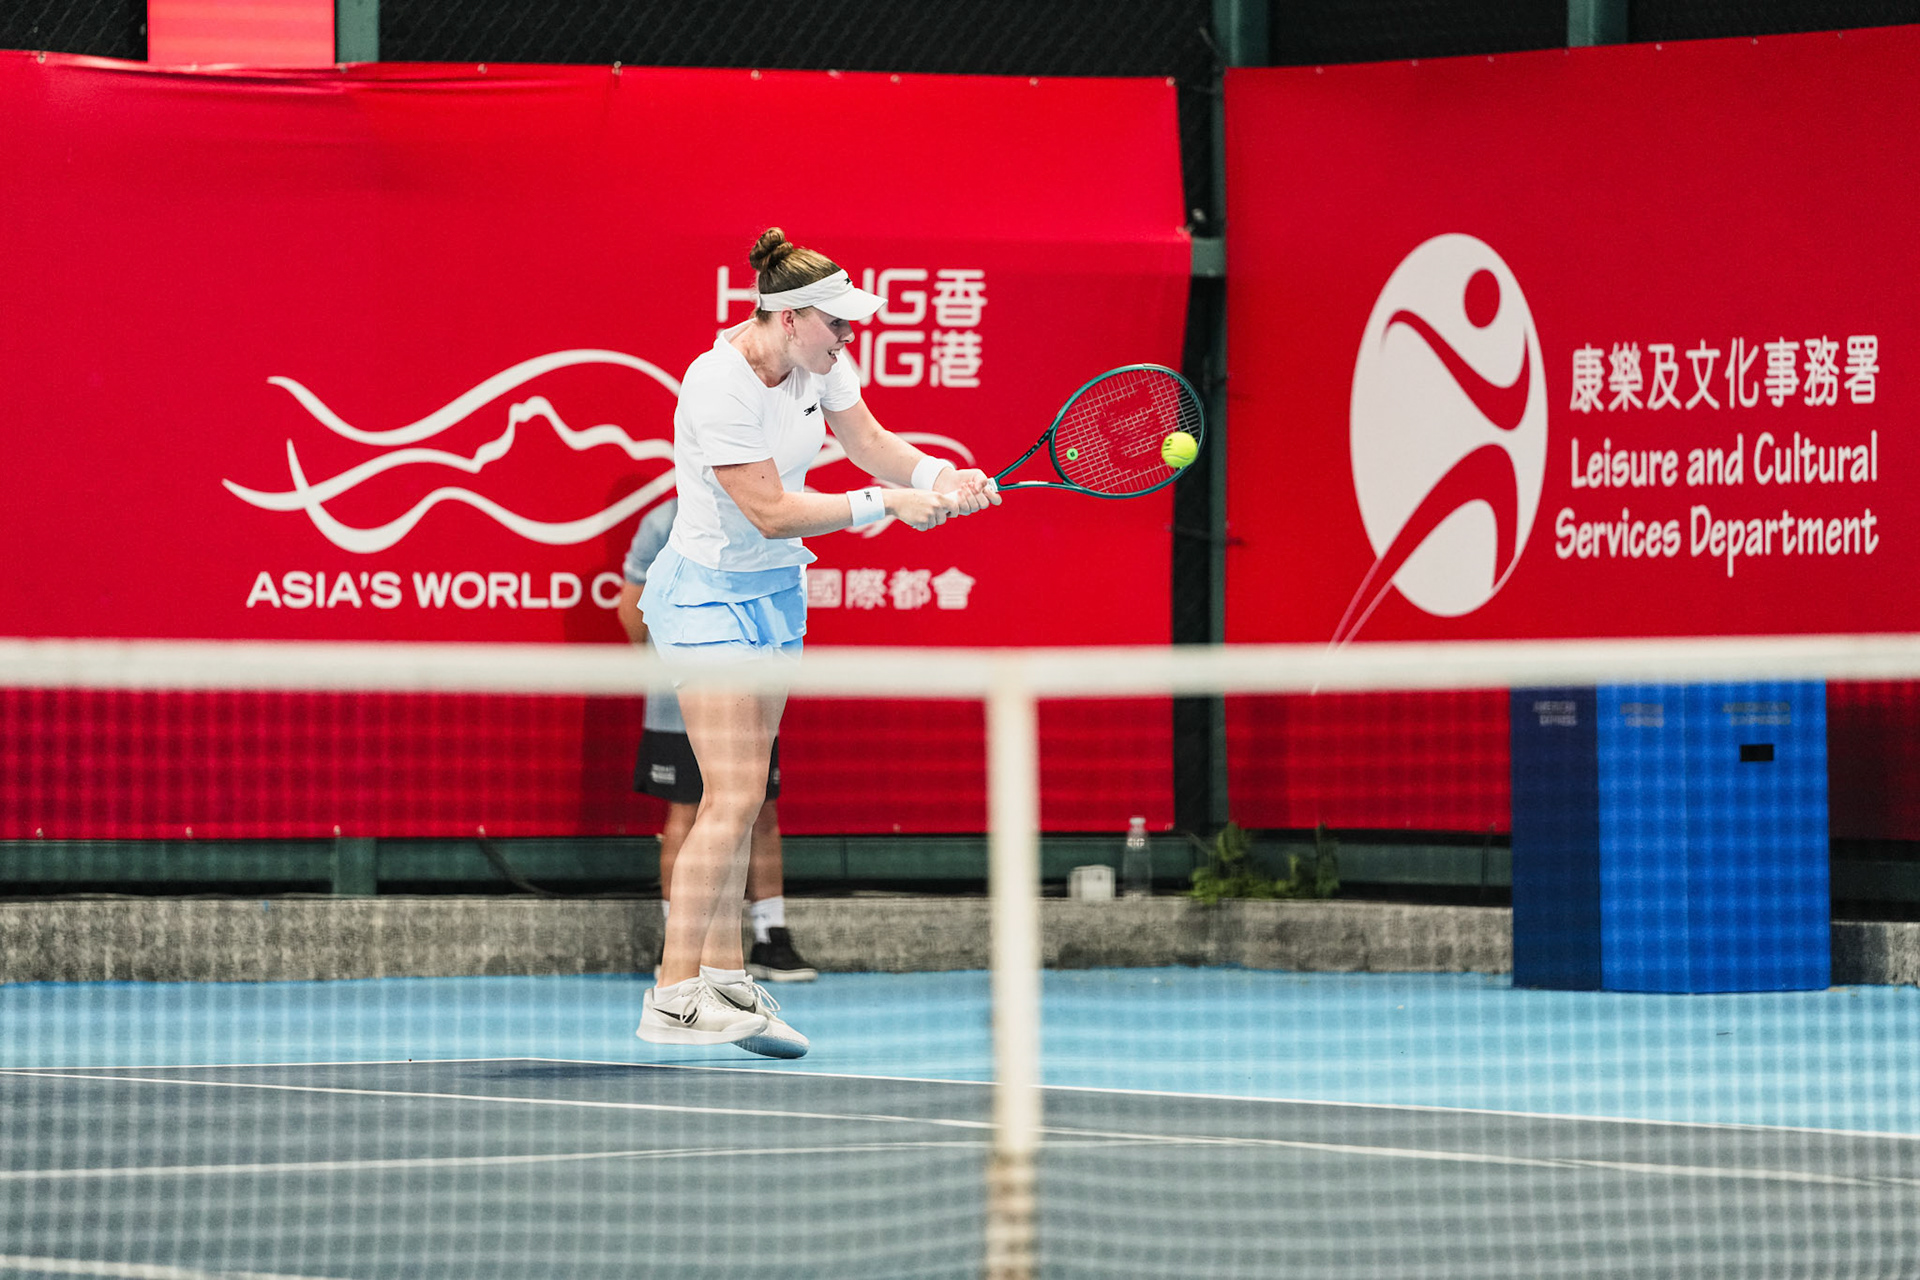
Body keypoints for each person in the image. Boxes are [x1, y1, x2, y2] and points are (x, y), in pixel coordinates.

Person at [633, 227, 999, 1058]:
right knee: (726, 799)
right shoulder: (717, 382)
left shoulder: (824, 362)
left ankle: (725, 981)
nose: (850, 339)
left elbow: (871, 441)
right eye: (839, 326)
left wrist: (940, 477)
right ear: (790, 317)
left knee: (747, 795)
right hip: (707, 598)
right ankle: (670, 995)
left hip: (774, 593)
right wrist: (880, 507)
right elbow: (767, 509)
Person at [618, 496, 817, 985]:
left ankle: (771, 936)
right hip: (681, 698)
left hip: (748, 691)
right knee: (689, 810)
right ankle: (679, 944)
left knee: (757, 808)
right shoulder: (662, 523)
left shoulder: (766, 512)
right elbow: (631, 611)